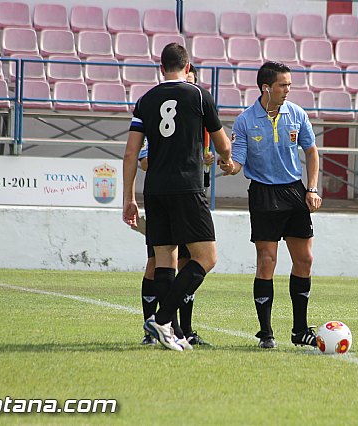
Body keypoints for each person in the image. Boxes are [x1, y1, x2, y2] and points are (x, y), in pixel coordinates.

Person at [123, 43, 233, 352]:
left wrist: (128, 197)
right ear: (187, 68)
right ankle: (163, 319)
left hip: (155, 190)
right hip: (186, 188)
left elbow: (131, 152)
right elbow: (223, 144)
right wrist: (226, 156)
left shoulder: (146, 99)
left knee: (165, 261)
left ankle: (168, 331)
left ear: (161, 68)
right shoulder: (198, 95)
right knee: (206, 258)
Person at [220, 61, 322, 349]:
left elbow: (311, 152)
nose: (288, 89)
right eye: (283, 85)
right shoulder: (245, 121)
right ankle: (266, 333)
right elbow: (237, 162)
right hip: (263, 195)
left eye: (289, 84)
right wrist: (228, 166)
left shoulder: (297, 114)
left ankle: (300, 330)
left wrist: (312, 188)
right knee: (267, 261)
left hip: (294, 192)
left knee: (305, 260)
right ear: (266, 87)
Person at [137, 64, 211, 347]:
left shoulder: (196, 115)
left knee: (184, 263)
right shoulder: (156, 110)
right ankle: (154, 327)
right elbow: (142, 157)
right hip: (167, 193)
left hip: (186, 194)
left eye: (192, 83)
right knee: (156, 262)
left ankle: (181, 331)